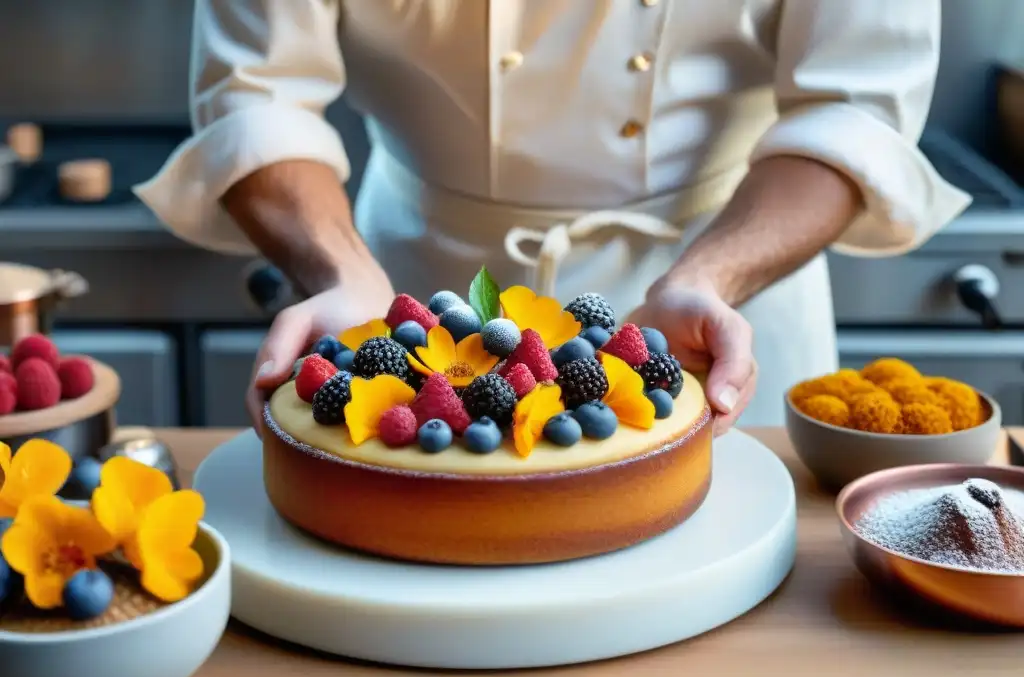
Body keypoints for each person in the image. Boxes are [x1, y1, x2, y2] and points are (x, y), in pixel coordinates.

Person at [136, 0, 970, 435]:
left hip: (716, 308)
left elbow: (853, 112)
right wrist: (340, 274)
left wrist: (710, 277)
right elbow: (259, 98)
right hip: (411, 297)